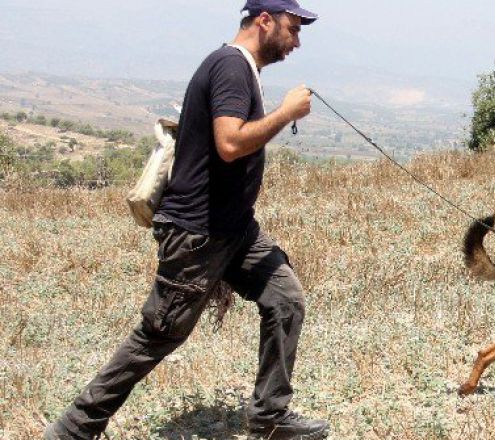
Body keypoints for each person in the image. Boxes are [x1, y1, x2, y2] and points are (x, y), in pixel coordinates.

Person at [44, 1, 329, 439]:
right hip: (199, 233)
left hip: (234, 230)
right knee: (158, 335)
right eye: (293, 29)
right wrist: (286, 113)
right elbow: (230, 143)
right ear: (264, 21)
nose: (297, 41)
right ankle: (73, 429)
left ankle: (270, 417)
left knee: (285, 299)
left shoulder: (238, 67)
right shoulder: (231, 67)